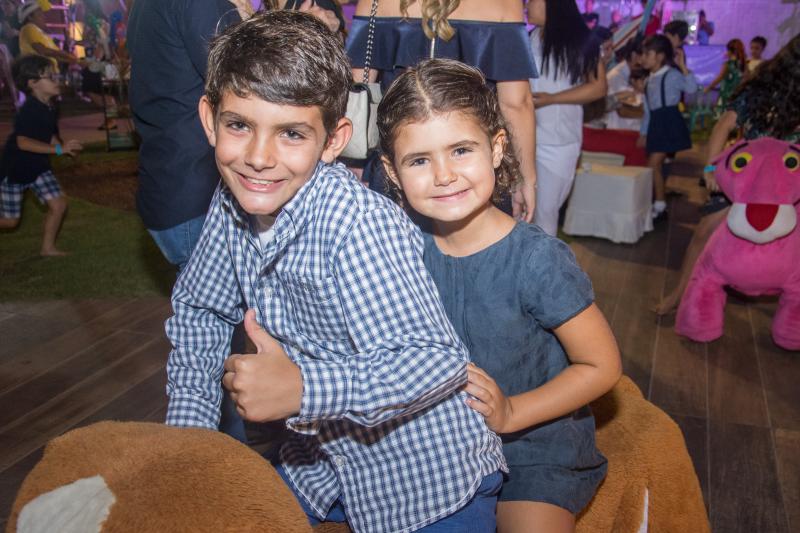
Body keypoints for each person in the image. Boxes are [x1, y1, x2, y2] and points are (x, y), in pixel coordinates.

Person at [169, 10, 506, 533]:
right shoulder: (231, 200)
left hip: (426, 482)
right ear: (210, 119)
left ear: (333, 141)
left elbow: (433, 361)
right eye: (239, 125)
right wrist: (188, 442)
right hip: (318, 468)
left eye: (291, 134)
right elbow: (201, 309)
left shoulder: (357, 225)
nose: (258, 157)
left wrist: (303, 389)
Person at [378, 58, 622, 533]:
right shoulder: (397, 248)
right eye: (419, 160)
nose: (444, 175)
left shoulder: (537, 260)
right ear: (392, 170)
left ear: (496, 148)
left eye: (460, 150)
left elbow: (602, 365)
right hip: (434, 442)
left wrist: (513, 413)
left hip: (533, 445)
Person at [347, 0, 538, 223]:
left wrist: (354, 162)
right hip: (469, 161)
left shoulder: (375, 2)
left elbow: (357, 92)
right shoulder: (505, 4)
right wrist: (526, 178)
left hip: (405, 163)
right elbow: (515, 104)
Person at [654, 33, 800, 315]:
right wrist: (710, 168)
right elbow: (723, 126)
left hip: (787, 186)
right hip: (746, 181)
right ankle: (677, 295)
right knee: (704, 233)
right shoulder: (762, 88)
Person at [527, 0, 607, 236]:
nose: (527, 5)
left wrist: (552, 99)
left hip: (558, 143)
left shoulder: (581, 40)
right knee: (521, 210)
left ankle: (545, 260)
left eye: (532, 0)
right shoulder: (528, 38)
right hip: (523, 138)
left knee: (545, 212)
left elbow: (598, 87)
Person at [0, 54, 82, 256]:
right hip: (15, 170)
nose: (56, 80)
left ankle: (47, 248)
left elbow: (49, 135)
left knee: (59, 204)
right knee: (10, 222)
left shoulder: (50, 106)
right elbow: (23, 142)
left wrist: (63, 148)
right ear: (33, 83)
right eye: (49, 76)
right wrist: (58, 150)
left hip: (38, 168)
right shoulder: (28, 110)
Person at [637, 34, 697, 222]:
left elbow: (691, 88)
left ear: (660, 56)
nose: (642, 58)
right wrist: (644, 133)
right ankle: (658, 203)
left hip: (669, 123)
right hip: (656, 124)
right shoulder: (648, 80)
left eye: (647, 54)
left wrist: (683, 66)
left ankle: (657, 204)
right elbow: (648, 111)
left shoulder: (672, 74)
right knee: (655, 166)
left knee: (653, 164)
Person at [18, 0, 82, 72]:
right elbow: (43, 51)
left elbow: (54, 55)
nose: (44, 17)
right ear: (30, 17)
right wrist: (66, 55)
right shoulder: (29, 28)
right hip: (38, 74)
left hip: (48, 73)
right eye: (39, 14)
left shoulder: (40, 33)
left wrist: (75, 61)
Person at [704, 38, 745, 112]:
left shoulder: (728, 64)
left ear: (730, 51)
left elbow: (720, 77)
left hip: (726, 93)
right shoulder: (743, 63)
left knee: (723, 111)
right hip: (738, 93)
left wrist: (709, 87)